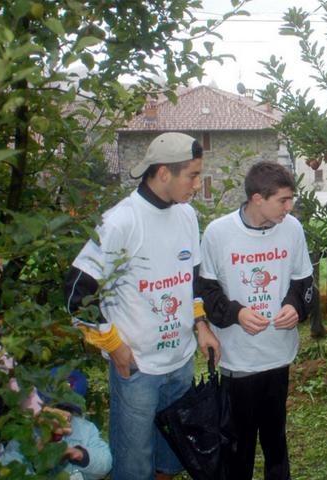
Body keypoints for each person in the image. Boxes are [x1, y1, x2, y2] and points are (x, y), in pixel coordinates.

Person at [65, 132, 220, 480]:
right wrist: (113, 345)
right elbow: (77, 293)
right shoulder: (120, 221)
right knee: (134, 463)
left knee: (171, 450)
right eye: (192, 175)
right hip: (136, 367)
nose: (197, 184)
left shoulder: (187, 216)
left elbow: (191, 279)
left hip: (180, 361)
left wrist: (201, 325)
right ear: (163, 173)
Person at [199, 161, 314, 480]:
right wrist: (236, 313)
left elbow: (304, 283)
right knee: (239, 445)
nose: (289, 208)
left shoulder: (292, 228)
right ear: (257, 198)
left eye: (291, 199)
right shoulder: (218, 233)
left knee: (276, 440)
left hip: (278, 355)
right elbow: (206, 291)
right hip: (239, 360)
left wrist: (295, 307)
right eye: (283, 200)